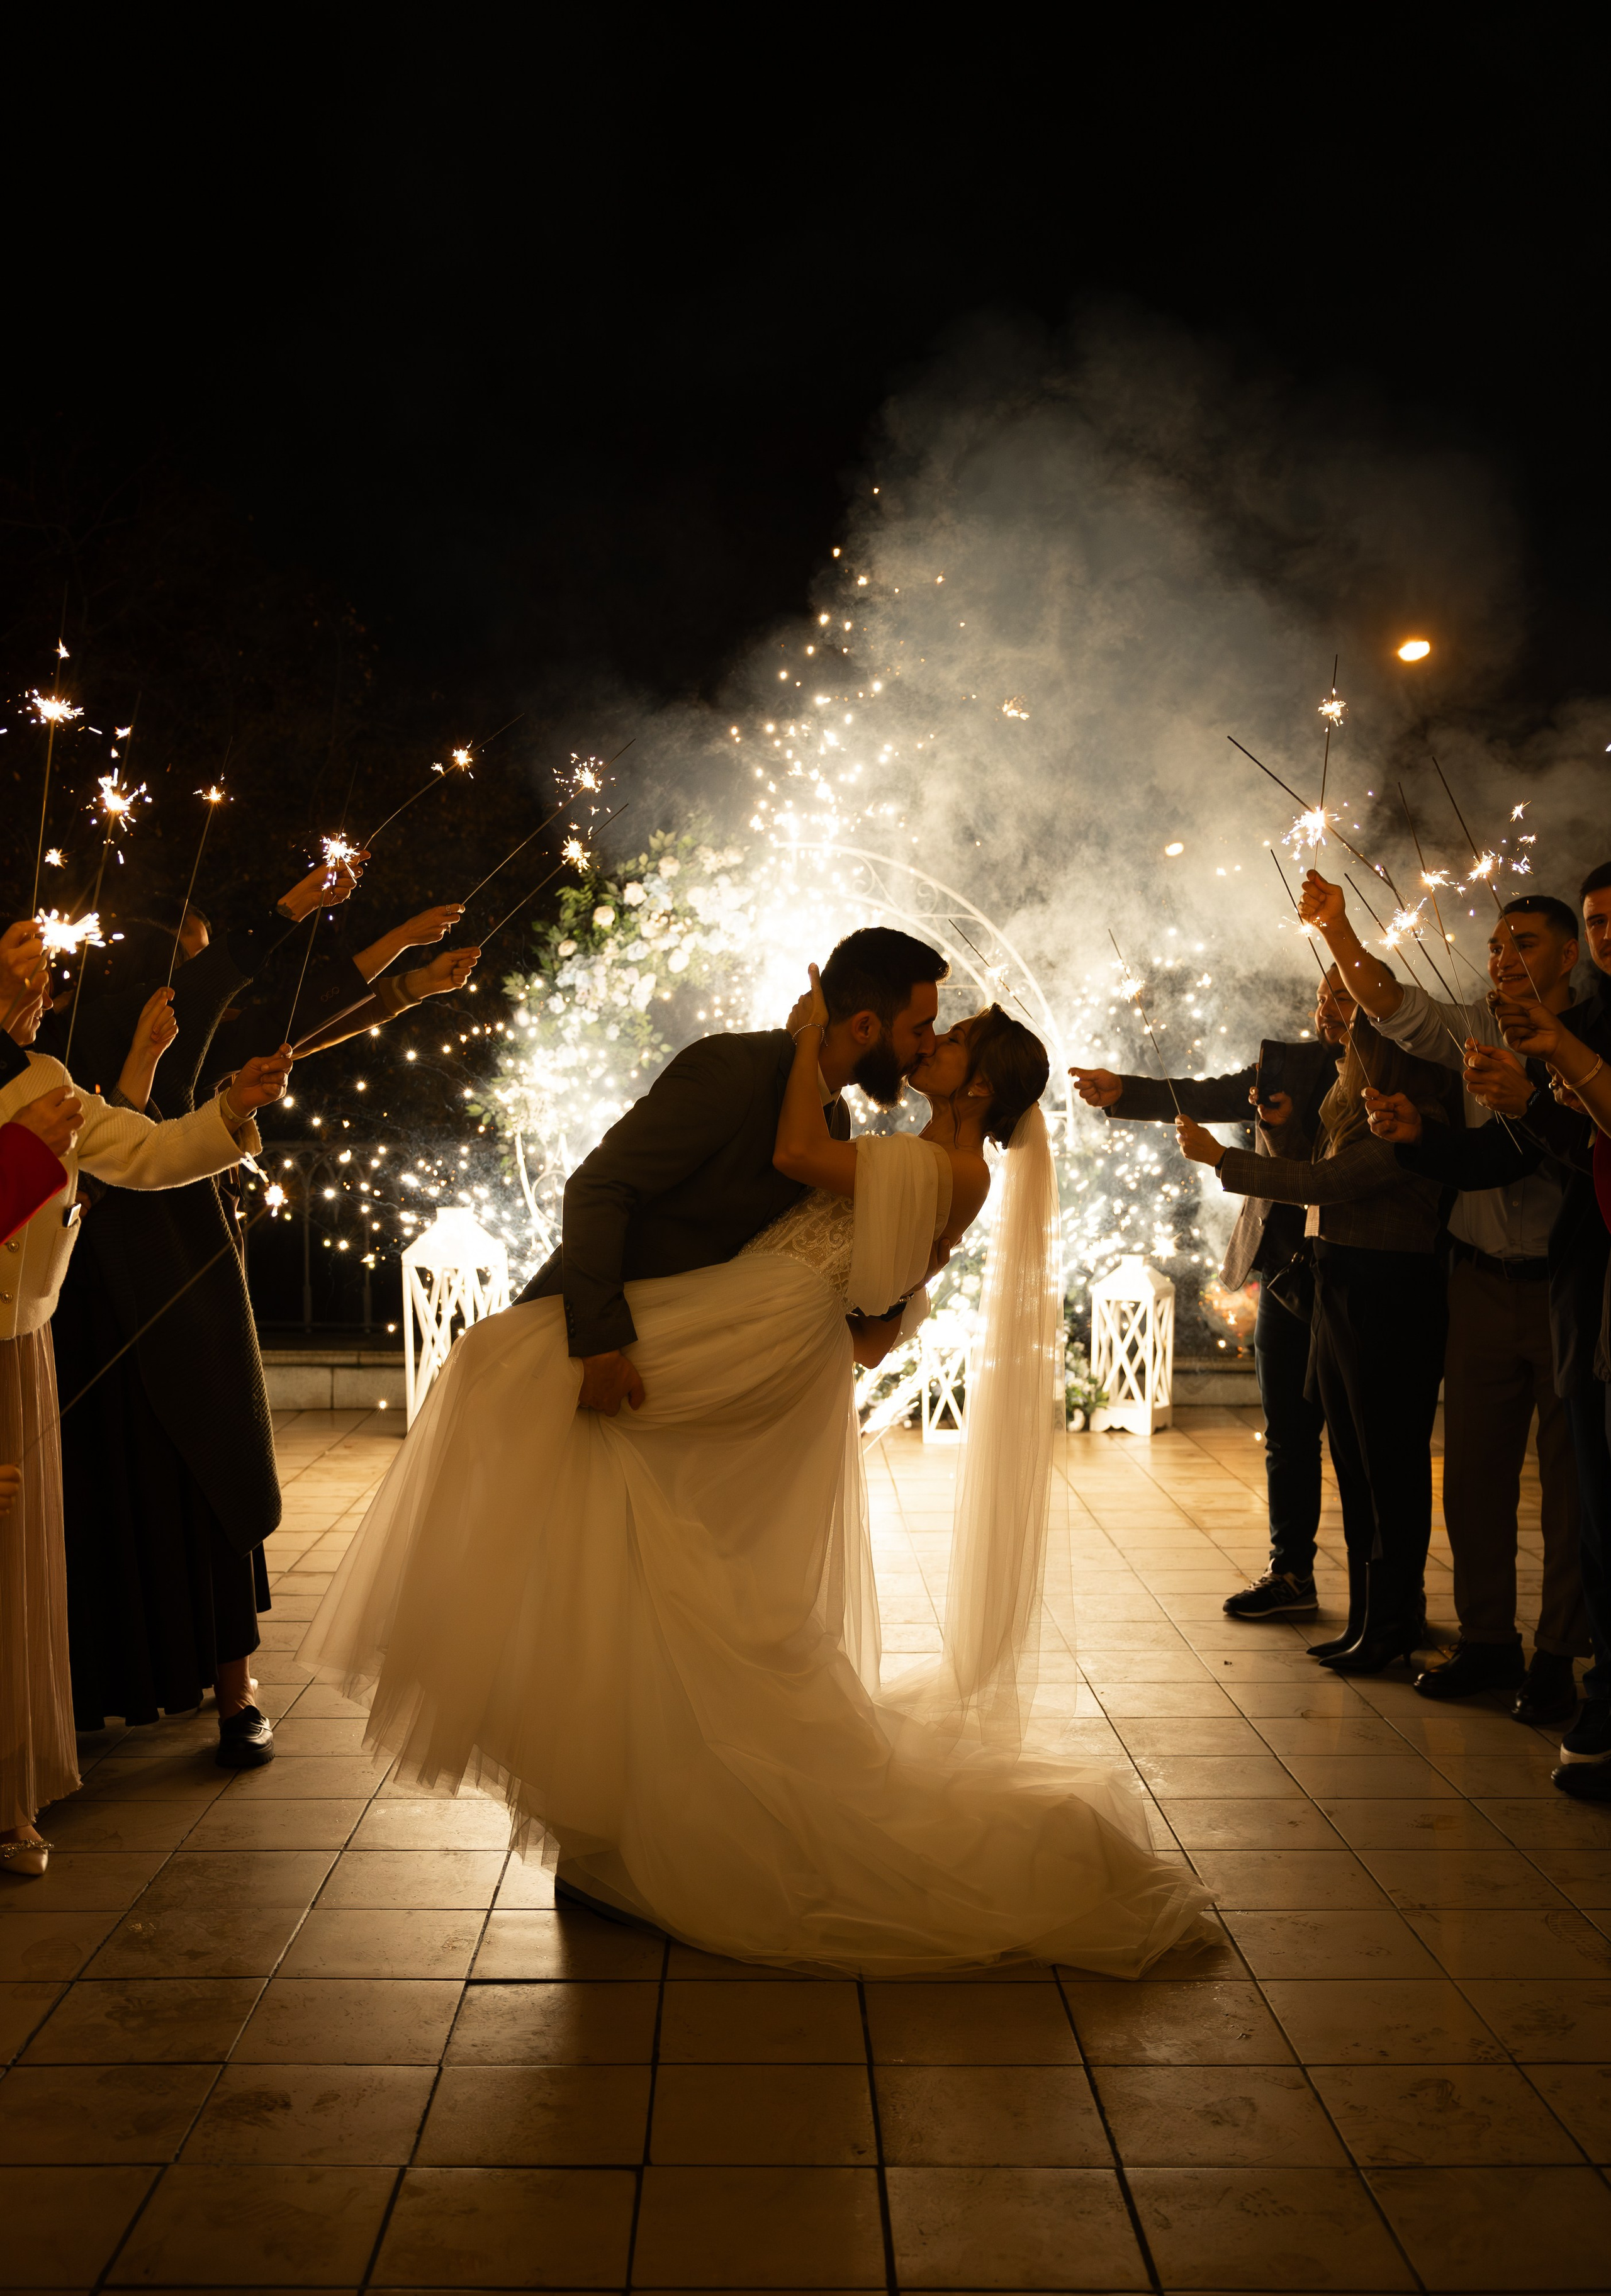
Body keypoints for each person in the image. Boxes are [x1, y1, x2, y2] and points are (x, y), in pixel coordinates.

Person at [303, 938, 1213, 1975]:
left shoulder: (906, 1153)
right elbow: (880, 1318)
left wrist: (804, 1049)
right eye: (927, 1023)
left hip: (757, 1328)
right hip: (774, 1330)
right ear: (872, 1026)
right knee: (660, 1535)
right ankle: (621, 1804)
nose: (930, 1042)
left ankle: (620, 1798)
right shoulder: (903, 1150)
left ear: (982, 1081)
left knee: (508, 1368)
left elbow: (800, 1181)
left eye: (945, 1037)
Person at [53, 860, 478, 1768]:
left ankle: (234, 1691)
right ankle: (99, 1689)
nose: (203, 983)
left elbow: (299, 1020)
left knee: (214, 1471)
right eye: (193, 959)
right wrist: (293, 903)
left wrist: (403, 966)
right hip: (83, 1289)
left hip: (184, 1268)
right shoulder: (72, 1036)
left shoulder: (176, 1035)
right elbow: (221, 984)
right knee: (106, 1487)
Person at [0, 963, 289, 1877]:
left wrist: (229, 1114)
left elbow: (145, 1156)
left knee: (21, 1574)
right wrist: (19, 1160)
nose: (38, 971)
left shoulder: (46, 1078)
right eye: (18, 948)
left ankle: (14, 1798)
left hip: (22, 1349)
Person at [1300, 871, 1589, 1718]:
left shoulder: (1591, 1043)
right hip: (1475, 1279)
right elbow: (1394, 1006)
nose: (1501, 957)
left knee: (1568, 1486)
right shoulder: (1469, 1027)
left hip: (1563, 1282)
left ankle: (1561, 1652)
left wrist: (1524, 1102)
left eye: (1523, 943)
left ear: (1569, 954)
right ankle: (1489, 1639)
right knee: (1471, 1479)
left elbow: (1532, 1152)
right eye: (1496, 944)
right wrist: (1340, 932)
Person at [1071, 963, 1356, 1623]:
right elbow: (1204, 1094)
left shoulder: (1398, 1068)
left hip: (1351, 1273)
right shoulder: (1287, 1065)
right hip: (1283, 1273)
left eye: (1342, 996)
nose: (1326, 1008)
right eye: (1320, 996)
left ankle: (1383, 1595)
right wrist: (1124, 1090)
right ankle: (1289, 1572)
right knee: (1287, 1433)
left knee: (1356, 1442)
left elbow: (1339, 1172)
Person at [1176, 1012, 1458, 1671]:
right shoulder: (1351, 1113)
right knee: (1355, 1466)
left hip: (1389, 1293)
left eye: (1357, 1041)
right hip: (1340, 1282)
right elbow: (1308, 1173)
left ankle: (1392, 1620)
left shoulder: (1413, 1114)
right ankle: (1366, 1619)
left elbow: (1322, 1185)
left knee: (1388, 1467)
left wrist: (1221, 1157)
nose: (1341, 1049)